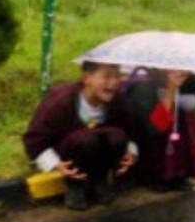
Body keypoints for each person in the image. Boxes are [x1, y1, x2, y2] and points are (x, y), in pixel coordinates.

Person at [23, 62, 138, 211]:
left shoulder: (118, 100)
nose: (114, 83)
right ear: (87, 78)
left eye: (117, 76)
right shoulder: (60, 101)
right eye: (107, 76)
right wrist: (55, 164)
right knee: (85, 139)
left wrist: (131, 152)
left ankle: (100, 179)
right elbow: (34, 139)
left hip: (99, 150)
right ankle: (75, 186)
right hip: (69, 151)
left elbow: (129, 129)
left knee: (117, 136)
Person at [126, 68, 195, 192]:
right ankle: (156, 177)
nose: (182, 71)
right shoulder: (142, 86)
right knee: (174, 118)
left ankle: (179, 173)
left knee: (185, 116)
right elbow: (153, 128)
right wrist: (171, 90)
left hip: (173, 137)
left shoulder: (184, 77)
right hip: (149, 144)